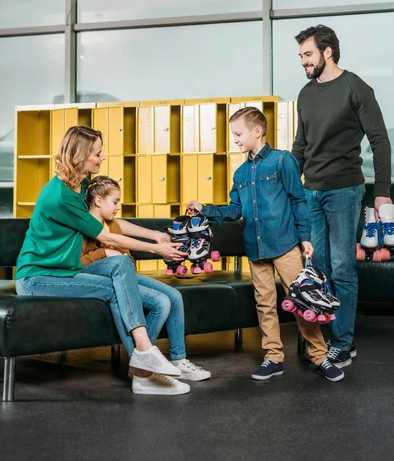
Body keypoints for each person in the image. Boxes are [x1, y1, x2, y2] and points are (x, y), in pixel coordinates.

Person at [15, 125, 193, 396]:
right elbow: (108, 238)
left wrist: (155, 235)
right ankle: (144, 361)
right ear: (80, 155)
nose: (103, 157)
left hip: (67, 270)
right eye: (97, 153)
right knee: (113, 290)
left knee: (122, 265)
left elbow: (111, 222)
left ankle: (144, 362)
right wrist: (157, 251)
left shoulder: (82, 186)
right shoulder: (61, 196)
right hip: (37, 277)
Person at [187, 106, 344, 383]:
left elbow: (298, 200)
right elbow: (234, 211)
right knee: (264, 304)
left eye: (238, 134)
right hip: (255, 249)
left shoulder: (283, 161)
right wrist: (204, 209)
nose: (234, 139)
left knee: (302, 300)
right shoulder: (240, 174)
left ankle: (320, 356)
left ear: (257, 131)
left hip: (285, 245)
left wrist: (305, 237)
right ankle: (273, 357)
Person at [292, 24, 392, 368]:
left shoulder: (356, 88)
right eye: (301, 55)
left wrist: (381, 192)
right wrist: (290, 184)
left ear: (327, 52)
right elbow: (300, 146)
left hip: (344, 190)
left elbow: (379, 140)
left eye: (308, 54)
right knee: (317, 269)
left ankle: (343, 343)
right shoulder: (306, 93)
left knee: (341, 268)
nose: (303, 61)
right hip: (311, 192)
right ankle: (322, 339)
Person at [81, 174, 211, 384]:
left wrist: (156, 236)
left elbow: (125, 227)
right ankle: (141, 363)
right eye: (114, 202)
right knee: (161, 302)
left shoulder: (110, 223)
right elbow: (79, 263)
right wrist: (106, 254)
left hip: (127, 275)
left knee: (175, 296)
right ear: (98, 201)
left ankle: (179, 360)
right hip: (107, 281)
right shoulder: (86, 226)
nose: (117, 207)